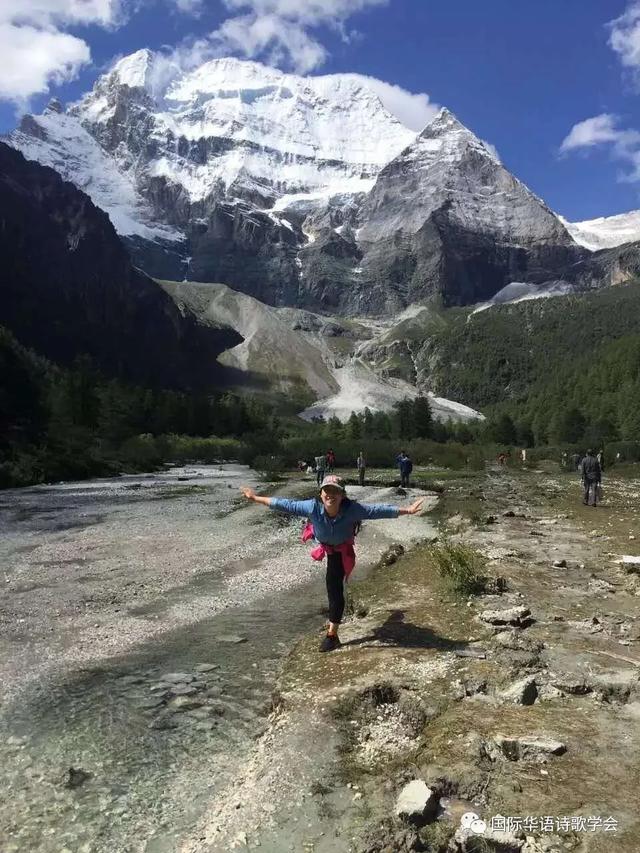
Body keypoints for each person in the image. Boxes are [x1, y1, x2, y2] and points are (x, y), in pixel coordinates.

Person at [240, 475, 424, 651]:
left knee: (334, 588)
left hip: (341, 551)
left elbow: (377, 510)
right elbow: (285, 504)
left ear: (342, 495)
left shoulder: (352, 509)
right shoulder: (312, 507)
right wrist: (254, 498)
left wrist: (407, 510)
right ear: (321, 494)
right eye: (326, 490)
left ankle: (332, 635)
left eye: (335, 491)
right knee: (333, 586)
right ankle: (346, 623)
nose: (330, 494)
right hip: (326, 545)